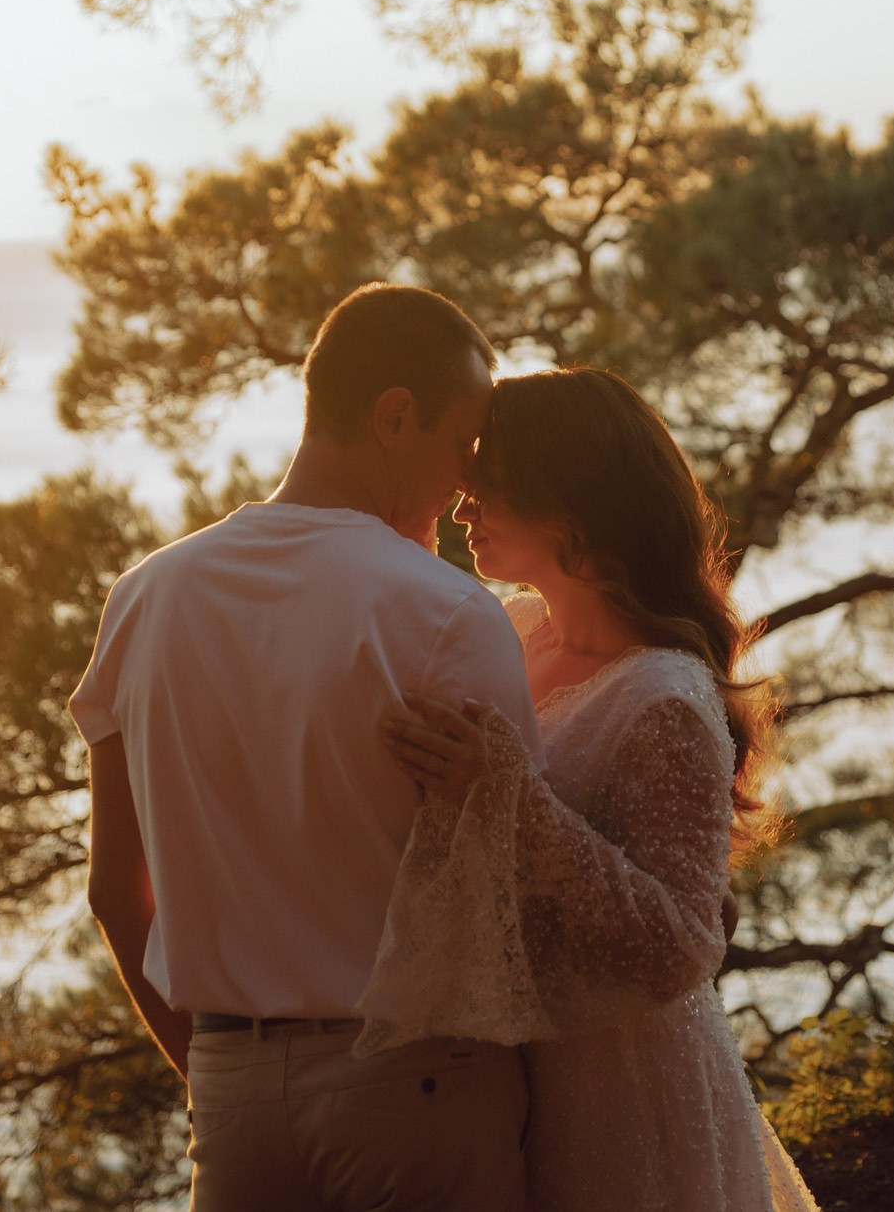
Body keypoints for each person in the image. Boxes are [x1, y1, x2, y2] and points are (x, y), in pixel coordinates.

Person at [71, 283, 541, 1212]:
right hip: (416, 1091)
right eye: (463, 444)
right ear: (395, 417)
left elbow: (114, 891)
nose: (469, 484)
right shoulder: (445, 612)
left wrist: (222, 1074)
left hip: (232, 1098)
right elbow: (517, 893)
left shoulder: (145, 599)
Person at [368, 366, 820, 1212]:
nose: (464, 501)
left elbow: (683, 943)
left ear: (570, 499)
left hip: (626, 1097)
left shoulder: (665, 697)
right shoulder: (507, 633)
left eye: (489, 481)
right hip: (502, 1080)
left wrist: (506, 798)